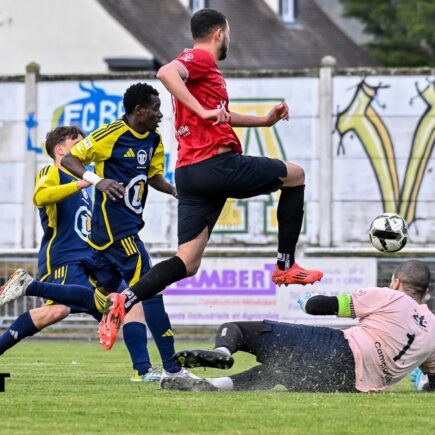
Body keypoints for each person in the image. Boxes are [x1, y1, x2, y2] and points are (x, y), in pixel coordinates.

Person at [96, 8, 323, 349]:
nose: (228, 39)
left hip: (190, 173)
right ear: (220, 33)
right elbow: (165, 72)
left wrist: (264, 121)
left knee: (187, 262)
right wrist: (203, 111)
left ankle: (124, 299)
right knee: (295, 175)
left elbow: (221, 116)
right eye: (228, 34)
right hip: (216, 165)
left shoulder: (202, 75)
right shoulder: (200, 58)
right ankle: (285, 265)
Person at [60, 83, 193, 381]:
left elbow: (153, 176)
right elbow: (69, 159)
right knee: (152, 289)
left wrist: (174, 190)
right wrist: (98, 180)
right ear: (138, 110)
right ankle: (173, 368)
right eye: (155, 109)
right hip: (118, 230)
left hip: (107, 236)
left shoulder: (154, 139)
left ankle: (38, 289)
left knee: (105, 293)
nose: (160, 115)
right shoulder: (111, 134)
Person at [160, 260, 435, 393]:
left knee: (237, 329)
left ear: (396, 282)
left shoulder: (390, 296)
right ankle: (210, 386)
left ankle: (222, 352)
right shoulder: (433, 328)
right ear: (425, 293)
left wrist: (305, 296)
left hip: (339, 351)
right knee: (278, 369)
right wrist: (422, 384)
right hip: (351, 385)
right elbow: (433, 384)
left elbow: (317, 306)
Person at [0, 126, 103, 355]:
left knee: (57, 311)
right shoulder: (53, 172)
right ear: (60, 150)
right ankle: (145, 367)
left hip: (88, 258)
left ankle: (146, 364)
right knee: (108, 304)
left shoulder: (84, 187)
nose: (83, 149)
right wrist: (78, 184)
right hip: (64, 257)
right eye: (77, 144)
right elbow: (40, 196)